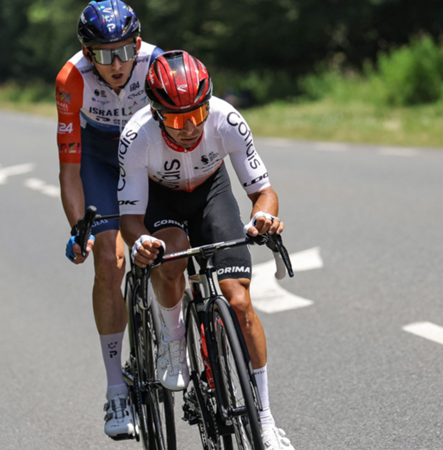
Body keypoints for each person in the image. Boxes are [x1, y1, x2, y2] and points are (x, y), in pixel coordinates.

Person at [117, 50, 295, 450]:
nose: (189, 127)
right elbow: (130, 220)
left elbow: (263, 191)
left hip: (211, 193)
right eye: (178, 119)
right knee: (173, 253)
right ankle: (174, 344)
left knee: (239, 300)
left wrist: (262, 218)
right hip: (160, 201)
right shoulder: (136, 136)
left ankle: (265, 419)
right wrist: (142, 242)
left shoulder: (226, 118)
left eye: (197, 114)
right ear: (157, 112)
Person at [56, 0, 162, 440]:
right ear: (86, 53)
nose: (116, 64)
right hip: (99, 159)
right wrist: (78, 228)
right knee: (110, 261)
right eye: (102, 54)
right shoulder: (71, 79)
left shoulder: (155, 64)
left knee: (179, 242)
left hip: (150, 151)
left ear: (136, 45)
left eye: (123, 52)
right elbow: (69, 167)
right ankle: (116, 387)